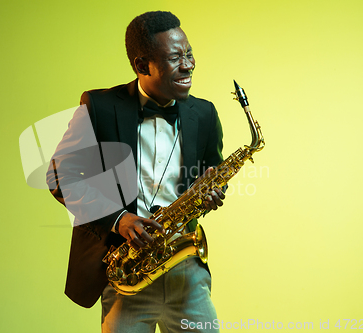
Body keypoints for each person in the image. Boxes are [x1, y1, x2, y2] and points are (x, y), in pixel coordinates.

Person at [47, 11, 226, 333]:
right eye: (174, 58)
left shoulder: (205, 113)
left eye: (188, 54)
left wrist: (211, 193)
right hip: (126, 271)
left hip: (186, 270)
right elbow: (61, 176)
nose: (188, 65)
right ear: (143, 65)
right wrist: (118, 218)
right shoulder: (99, 106)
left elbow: (210, 173)